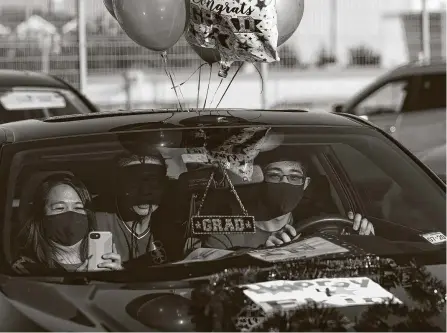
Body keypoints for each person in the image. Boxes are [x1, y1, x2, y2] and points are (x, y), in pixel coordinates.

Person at [202, 147, 375, 249]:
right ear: (260, 180)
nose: (284, 183)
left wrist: (361, 240)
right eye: (275, 176)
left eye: (294, 177)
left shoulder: (321, 229)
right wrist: (263, 253)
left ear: (305, 184)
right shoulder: (227, 235)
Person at [13, 173, 122, 273]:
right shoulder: (25, 269)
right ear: (41, 214)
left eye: (78, 207)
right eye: (60, 208)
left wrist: (120, 277)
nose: (71, 214)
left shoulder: (103, 260)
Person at [95, 152, 169, 264]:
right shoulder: (97, 223)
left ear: (163, 186)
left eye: (153, 181)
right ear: (118, 186)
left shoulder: (174, 225)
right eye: (133, 182)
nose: (145, 191)